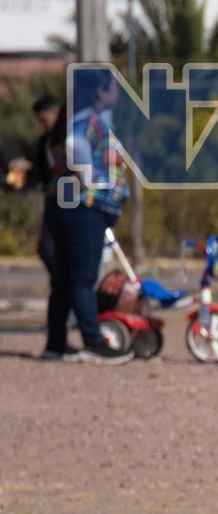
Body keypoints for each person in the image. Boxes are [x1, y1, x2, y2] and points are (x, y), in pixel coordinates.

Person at [41, 72, 132, 364]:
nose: (119, 93)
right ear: (100, 92)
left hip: (72, 209)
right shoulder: (87, 122)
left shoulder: (81, 119)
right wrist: (89, 179)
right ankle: (93, 342)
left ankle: (55, 344)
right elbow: (74, 145)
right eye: (115, 88)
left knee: (66, 280)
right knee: (82, 278)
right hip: (83, 210)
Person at [5, 96, 63, 312]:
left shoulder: (69, 138)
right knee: (47, 249)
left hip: (70, 203)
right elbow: (40, 173)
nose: (43, 123)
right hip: (52, 201)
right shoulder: (43, 142)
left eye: (45, 118)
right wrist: (24, 170)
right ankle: (62, 286)